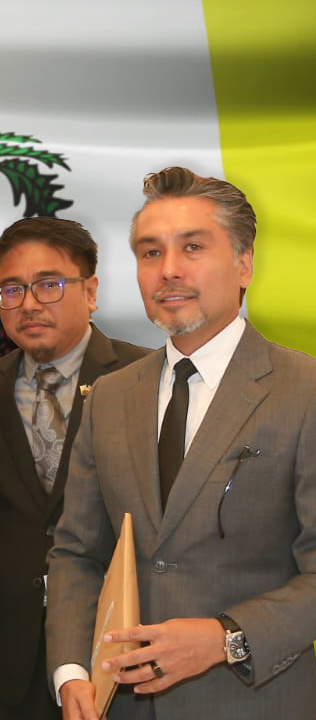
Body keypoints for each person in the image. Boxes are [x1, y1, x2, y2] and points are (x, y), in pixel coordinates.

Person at [47, 167, 316, 720]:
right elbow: (77, 551)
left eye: (192, 247)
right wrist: (71, 671)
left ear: (244, 264)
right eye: (150, 252)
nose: (168, 269)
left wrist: (225, 638)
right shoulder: (110, 396)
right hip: (116, 703)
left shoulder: (303, 390)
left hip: (254, 702)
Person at [0, 218, 148, 720]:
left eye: (49, 284)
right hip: (4, 652)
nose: (29, 304)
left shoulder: (143, 378)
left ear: (90, 291)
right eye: (11, 290)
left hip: (114, 644)